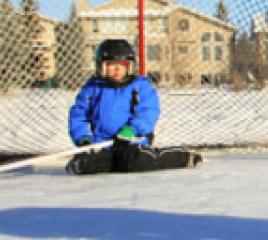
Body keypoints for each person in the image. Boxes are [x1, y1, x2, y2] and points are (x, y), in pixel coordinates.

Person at [67, 39, 202, 175]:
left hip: (132, 141)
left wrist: (130, 131)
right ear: (100, 66)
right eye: (111, 65)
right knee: (88, 165)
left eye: (122, 66)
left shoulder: (139, 87)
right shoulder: (92, 88)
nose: (117, 70)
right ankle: (95, 162)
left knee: (133, 161)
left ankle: (181, 157)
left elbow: (148, 112)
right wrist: (83, 139)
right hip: (103, 144)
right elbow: (78, 115)